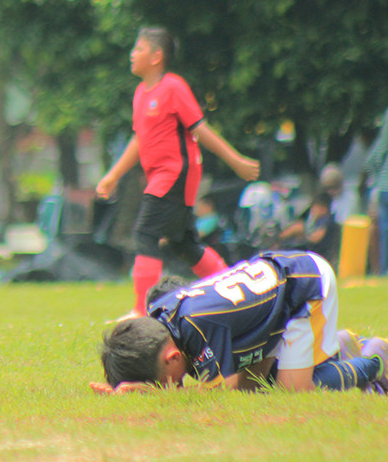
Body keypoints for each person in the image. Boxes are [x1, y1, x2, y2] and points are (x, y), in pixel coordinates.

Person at [95, 27, 260, 320]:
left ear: (156, 56)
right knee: (183, 244)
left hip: (175, 175)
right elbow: (138, 140)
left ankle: (141, 311)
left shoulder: (173, 87)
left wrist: (235, 160)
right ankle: (235, 290)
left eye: (139, 49)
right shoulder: (140, 94)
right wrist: (113, 175)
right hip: (161, 176)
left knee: (146, 233)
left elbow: (200, 129)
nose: (132, 54)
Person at [94, 251, 388, 393]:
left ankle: (375, 360)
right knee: (253, 384)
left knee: (293, 390)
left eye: (170, 382)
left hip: (301, 289)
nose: (178, 385)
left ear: (172, 358)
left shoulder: (196, 327)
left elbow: (212, 394)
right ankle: (339, 346)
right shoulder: (161, 315)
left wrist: (153, 395)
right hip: (270, 298)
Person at [277, 192, 339, 262]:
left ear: (324, 209)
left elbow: (316, 238)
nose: (313, 210)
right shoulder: (309, 215)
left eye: (317, 208)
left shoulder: (329, 224)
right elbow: (298, 223)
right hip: (298, 249)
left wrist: (303, 235)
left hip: (317, 255)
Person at [364, 104, 388, 275]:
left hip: (385, 185)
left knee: (385, 231)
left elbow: (379, 152)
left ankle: (384, 271)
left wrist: (374, 176)